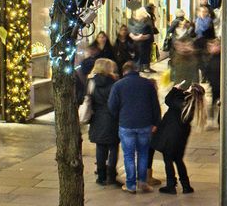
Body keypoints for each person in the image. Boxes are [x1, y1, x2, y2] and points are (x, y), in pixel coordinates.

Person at [107, 61, 161, 194]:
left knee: (129, 155)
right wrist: (156, 123)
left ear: (124, 71)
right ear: (137, 70)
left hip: (126, 124)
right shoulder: (148, 84)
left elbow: (111, 106)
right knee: (143, 153)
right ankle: (143, 182)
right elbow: (155, 105)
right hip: (145, 124)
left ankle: (130, 185)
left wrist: (119, 116)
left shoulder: (118, 85)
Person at [153, 84, 205, 194]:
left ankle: (171, 185)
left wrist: (175, 89)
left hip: (171, 134)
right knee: (178, 160)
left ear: (191, 90)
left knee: (168, 159)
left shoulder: (183, 102)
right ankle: (186, 185)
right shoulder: (192, 104)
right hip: (181, 136)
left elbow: (168, 100)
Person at [86, 58, 122, 186]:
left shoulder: (91, 82)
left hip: (97, 118)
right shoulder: (114, 83)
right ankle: (111, 176)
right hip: (112, 118)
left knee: (100, 147)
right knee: (113, 147)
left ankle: (101, 176)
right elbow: (117, 101)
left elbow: (88, 98)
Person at [130, 6, 158, 73]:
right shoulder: (145, 18)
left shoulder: (141, 18)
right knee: (143, 54)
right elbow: (146, 28)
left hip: (143, 40)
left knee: (144, 54)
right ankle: (142, 68)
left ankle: (143, 68)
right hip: (144, 41)